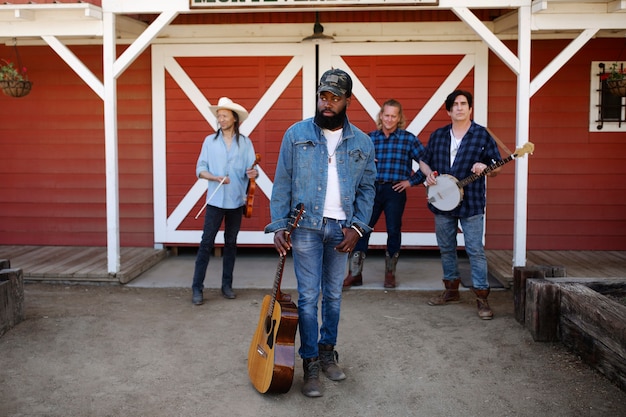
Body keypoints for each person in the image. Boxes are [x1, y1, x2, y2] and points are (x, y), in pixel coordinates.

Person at [265, 69, 376, 397]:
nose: (327, 104)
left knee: (335, 296)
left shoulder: (363, 142)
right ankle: (310, 362)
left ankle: (328, 353)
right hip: (305, 228)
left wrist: (358, 227)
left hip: (342, 230)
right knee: (309, 296)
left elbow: (368, 188)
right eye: (323, 96)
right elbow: (282, 182)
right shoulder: (296, 134)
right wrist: (279, 226)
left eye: (335, 98)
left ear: (347, 101)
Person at [419, 90, 501, 320]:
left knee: (475, 250)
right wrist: (428, 175)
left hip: (472, 201)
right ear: (448, 110)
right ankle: (451, 291)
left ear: (470, 108)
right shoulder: (439, 135)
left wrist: (486, 169)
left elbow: (498, 167)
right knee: (446, 247)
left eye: (464, 104)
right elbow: (425, 161)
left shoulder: (482, 135)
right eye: (455, 104)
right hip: (442, 201)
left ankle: (482, 297)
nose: (459, 108)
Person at [342, 99, 425, 289]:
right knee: (361, 229)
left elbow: (426, 162)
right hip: (371, 191)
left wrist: (411, 181)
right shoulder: (370, 139)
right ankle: (355, 273)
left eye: (393, 116)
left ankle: (390, 273)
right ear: (381, 116)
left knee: (393, 230)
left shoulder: (408, 139)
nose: (389, 119)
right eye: (386, 115)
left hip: (395, 191)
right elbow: (354, 164)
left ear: (399, 118)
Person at [191, 97, 258, 305]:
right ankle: (197, 288)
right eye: (218, 115)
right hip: (214, 200)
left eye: (224, 115)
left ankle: (227, 286)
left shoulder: (246, 143)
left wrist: (254, 172)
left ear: (234, 118)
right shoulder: (209, 142)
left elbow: (252, 171)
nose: (220, 118)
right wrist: (215, 177)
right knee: (206, 244)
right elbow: (199, 170)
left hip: (237, 201)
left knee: (231, 244)